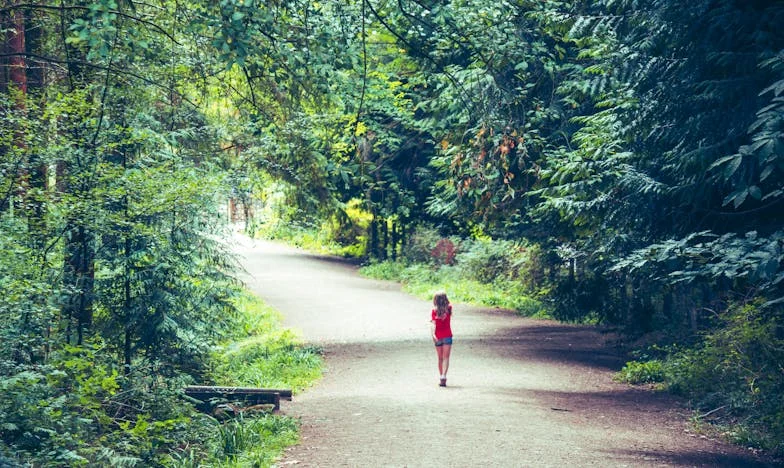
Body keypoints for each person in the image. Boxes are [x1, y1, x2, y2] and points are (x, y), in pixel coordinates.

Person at [430, 291, 453, 387]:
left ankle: (441, 376)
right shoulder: (449, 309)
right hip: (447, 335)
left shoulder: (434, 311)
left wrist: (433, 335)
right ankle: (443, 375)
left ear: (435, 300)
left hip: (438, 336)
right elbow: (449, 306)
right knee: (446, 358)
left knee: (440, 358)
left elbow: (432, 324)